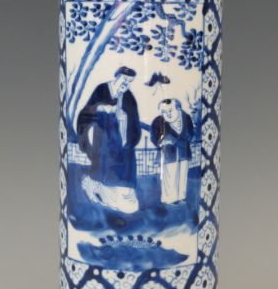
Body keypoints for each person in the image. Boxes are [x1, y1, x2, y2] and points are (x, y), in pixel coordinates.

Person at [76, 67, 141, 213]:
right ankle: (95, 187)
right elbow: (86, 114)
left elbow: (135, 122)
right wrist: (100, 109)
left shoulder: (128, 96)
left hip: (124, 150)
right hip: (105, 146)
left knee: (129, 197)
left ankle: (98, 189)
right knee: (109, 180)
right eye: (125, 79)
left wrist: (129, 137)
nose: (126, 84)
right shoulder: (102, 90)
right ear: (116, 76)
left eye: (129, 81)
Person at [151, 99, 194, 205]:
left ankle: (181, 196)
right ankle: (170, 198)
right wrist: (161, 141)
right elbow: (155, 137)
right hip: (168, 154)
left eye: (170, 110)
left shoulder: (186, 118)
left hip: (184, 152)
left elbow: (190, 134)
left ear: (178, 109)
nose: (167, 114)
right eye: (164, 112)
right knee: (170, 175)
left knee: (182, 175)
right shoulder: (159, 121)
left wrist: (175, 141)